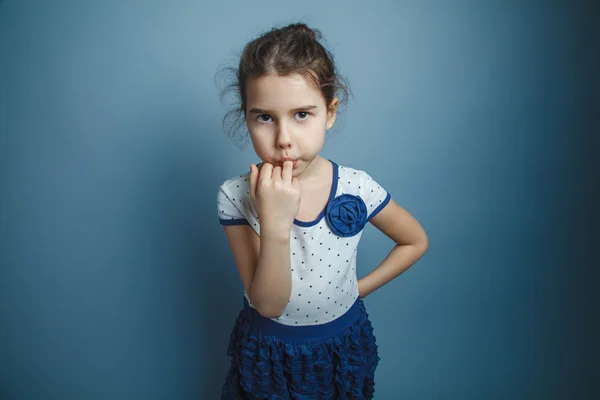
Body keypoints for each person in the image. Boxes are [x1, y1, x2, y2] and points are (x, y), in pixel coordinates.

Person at [216, 22, 428, 399]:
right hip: (271, 351)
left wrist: (356, 290)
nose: (283, 139)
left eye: (302, 114)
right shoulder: (236, 195)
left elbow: (414, 241)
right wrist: (276, 223)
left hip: (340, 345)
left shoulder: (356, 187)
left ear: (330, 112)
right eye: (264, 116)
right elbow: (268, 304)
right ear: (246, 116)